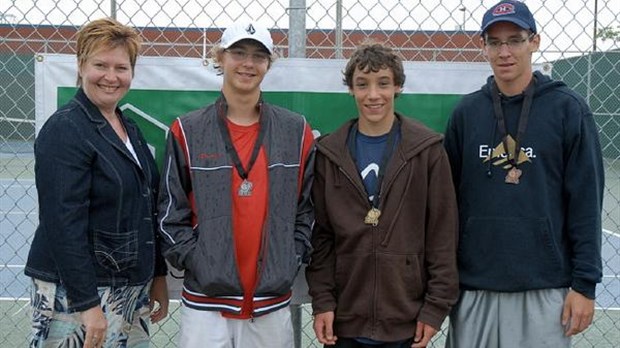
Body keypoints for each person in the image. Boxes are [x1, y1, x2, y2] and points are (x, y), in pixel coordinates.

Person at [443, 1, 604, 347]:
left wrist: (585, 285)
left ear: (534, 41)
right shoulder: (466, 113)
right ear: (482, 47)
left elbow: (586, 203)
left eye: (514, 40)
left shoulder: (567, 109)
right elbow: (447, 205)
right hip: (474, 285)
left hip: (545, 287)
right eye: (495, 42)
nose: (505, 52)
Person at [157, 19, 315, 348]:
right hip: (206, 299)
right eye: (238, 53)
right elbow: (170, 212)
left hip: (270, 299)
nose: (247, 63)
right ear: (221, 58)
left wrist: (290, 256)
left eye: (258, 56)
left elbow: (308, 209)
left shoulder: (295, 131)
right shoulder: (187, 130)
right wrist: (199, 261)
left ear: (268, 64)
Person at [25, 18, 169, 348]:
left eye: (121, 67)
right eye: (100, 65)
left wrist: (157, 274)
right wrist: (87, 305)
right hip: (78, 293)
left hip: (127, 290)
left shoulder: (128, 127)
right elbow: (62, 223)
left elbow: (145, 206)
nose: (111, 76)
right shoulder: (65, 129)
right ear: (80, 65)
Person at [306, 42, 459, 348]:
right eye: (362, 85)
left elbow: (443, 235)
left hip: (407, 319)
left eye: (383, 84)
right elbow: (321, 237)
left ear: (398, 86)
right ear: (351, 89)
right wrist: (323, 301)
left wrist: (434, 308)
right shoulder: (329, 153)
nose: (373, 95)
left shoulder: (427, 151)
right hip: (345, 321)